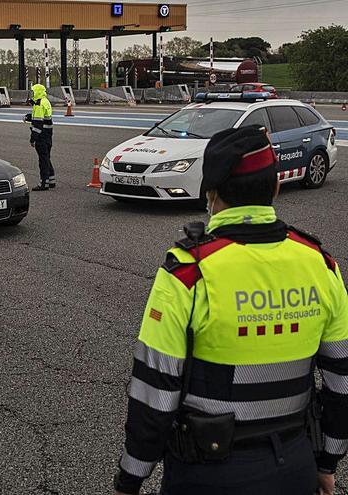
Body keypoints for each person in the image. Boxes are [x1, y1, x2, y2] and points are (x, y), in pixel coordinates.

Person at [113, 126, 348, 495]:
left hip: (208, 474)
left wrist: (130, 479)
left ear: (211, 194)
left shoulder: (188, 272)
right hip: (293, 465)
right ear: (274, 188)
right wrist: (326, 462)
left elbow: (154, 391)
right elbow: (342, 382)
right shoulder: (322, 264)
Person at [25, 83, 55, 191]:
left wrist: (33, 139)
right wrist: (30, 117)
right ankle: (51, 180)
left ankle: (44, 183)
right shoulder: (45, 101)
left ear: (37, 92)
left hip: (41, 136)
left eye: (33, 92)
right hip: (48, 134)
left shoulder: (38, 104)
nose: (32, 94)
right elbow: (43, 118)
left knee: (42, 160)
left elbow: (38, 125)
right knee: (46, 157)